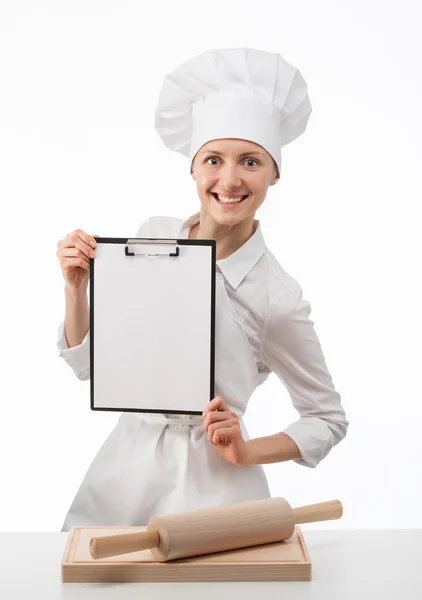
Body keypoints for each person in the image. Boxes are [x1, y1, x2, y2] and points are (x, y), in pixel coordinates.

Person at [56, 47, 348, 531]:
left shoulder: (278, 296)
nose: (229, 179)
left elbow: (327, 418)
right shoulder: (150, 238)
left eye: (251, 161)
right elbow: (90, 366)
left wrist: (247, 449)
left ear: (275, 174)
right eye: (213, 159)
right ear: (192, 167)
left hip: (216, 488)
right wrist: (75, 290)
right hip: (124, 473)